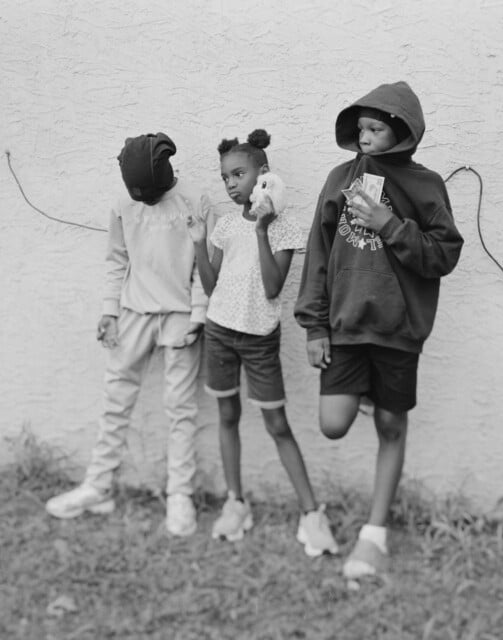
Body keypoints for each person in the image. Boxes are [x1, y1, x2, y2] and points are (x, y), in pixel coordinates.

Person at [294, 81, 464, 577]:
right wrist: (313, 326)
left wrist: (390, 224)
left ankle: (374, 534)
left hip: (398, 328)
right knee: (333, 423)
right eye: (360, 128)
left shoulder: (426, 184)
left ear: (402, 131)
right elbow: (320, 252)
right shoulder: (340, 178)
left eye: (375, 128)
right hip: (345, 325)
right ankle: (364, 389)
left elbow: (443, 255)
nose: (364, 136)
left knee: (391, 426)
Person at [45, 132, 208, 537]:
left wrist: (199, 316)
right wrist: (109, 312)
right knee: (115, 402)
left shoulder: (195, 200)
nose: (144, 201)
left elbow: (206, 263)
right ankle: (98, 487)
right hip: (134, 312)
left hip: (180, 315)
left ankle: (180, 496)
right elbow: (116, 259)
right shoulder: (122, 205)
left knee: (180, 409)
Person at [186, 129, 338, 556]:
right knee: (228, 414)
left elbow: (272, 288)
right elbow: (212, 287)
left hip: (258, 340)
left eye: (238, 173)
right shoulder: (225, 227)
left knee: (276, 424)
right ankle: (235, 503)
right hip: (219, 332)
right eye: (225, 177)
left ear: (263, 173)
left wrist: (262, 231)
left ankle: (310, 513)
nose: (231, 183)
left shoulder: (285, 227)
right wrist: (200, 243)